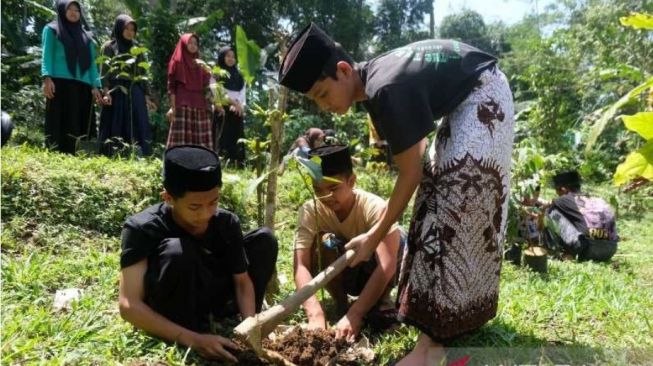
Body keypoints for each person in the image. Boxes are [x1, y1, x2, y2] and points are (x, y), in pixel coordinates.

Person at [279, 23, 515, 365]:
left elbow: (410, 173)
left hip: (484, 94)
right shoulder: (378, 83)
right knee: (432, 200)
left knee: (460, 199)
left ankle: (432, 347)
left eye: (322, 94)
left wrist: (373, 238)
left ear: (343, 71)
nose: (323, 106)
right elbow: (419, 170)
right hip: (463, 102)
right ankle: (439, 319)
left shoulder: (384, 88)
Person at [118, 145, 278, 362]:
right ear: (168, 197)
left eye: (213, 202)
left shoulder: (225, 222)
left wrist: (249, 324)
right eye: (194, 207)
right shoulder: (142, 228)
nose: (206, 214)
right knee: (177, 251)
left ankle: (228, 318)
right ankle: (187, 326)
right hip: (173, 301)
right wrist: (195, 339)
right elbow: (129, 305)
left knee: (264, 240)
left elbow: (241, 281)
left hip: (211, 294)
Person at [293, 145, 403, 341]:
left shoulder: (374, 207)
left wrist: (356, 315)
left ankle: (378, 302)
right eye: (318, 190)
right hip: (345, 270)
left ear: (351, 181)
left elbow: (387, 264)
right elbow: (301, 265)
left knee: (397, 241)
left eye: (333, 188)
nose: (326, 196)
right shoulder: (311, 211)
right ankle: (341, 304)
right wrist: (315, 315)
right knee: (323, 242)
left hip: (377, 270)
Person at [41, 0, 103, 154]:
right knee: (58, 121)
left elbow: (92, 64)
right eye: (70, 9)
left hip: (83, 85)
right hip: (59, 83)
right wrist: (47, 78)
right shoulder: (51, 30)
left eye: (77, 10)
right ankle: (54, 154)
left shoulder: (86, 36)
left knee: (77, 123)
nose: (74, 13)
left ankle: (76, 156)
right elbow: (46, 56)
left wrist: (96, 85)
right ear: (62, 10)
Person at [98, 14, 155, 157]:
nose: (130, 32)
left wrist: (147, 97)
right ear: (119, 28)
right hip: (116, 89)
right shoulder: (109, 47)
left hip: (134, 90)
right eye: (126, 28)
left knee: (138, 121)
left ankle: (139, 155)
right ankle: (113, 153)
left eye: (133, 29)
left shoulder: (137, 49)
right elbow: (104, 72)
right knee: (115, 121)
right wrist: (106, 92)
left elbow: (143, 74)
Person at [541, 171, 618, 262]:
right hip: (611, 250)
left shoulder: (562, 200)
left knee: (550, 211)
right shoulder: (596, 199)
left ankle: (555, 251)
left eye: (558, 192)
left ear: (563, 189)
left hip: (588, 249)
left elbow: (545, 207)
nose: (558, 195)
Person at [166, 34, 213, 150]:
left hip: (200, 106)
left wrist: (212, 102)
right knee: (180, 143)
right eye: (190, 43)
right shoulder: (176, 62)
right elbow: (171, 88)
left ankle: (201, 166)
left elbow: (207, 86)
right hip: (183, 105)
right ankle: (177, 166)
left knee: (201, 144)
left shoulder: (201, 64)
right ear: (184, 44)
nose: (193, 46)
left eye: (195, 43)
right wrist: (173, 107)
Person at [215, 46, 247, 168]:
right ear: (222, 57)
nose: (231, 59)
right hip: (222, 108)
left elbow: (243, 91)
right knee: (223, 134)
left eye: (233, 57)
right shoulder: (217, 72)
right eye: (228, 56)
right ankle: (222, 162)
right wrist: (233, 103)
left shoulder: (239, 75)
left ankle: (238, 163)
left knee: (237, 135)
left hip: (237, 108)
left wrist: (239, 104)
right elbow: (217, 90)